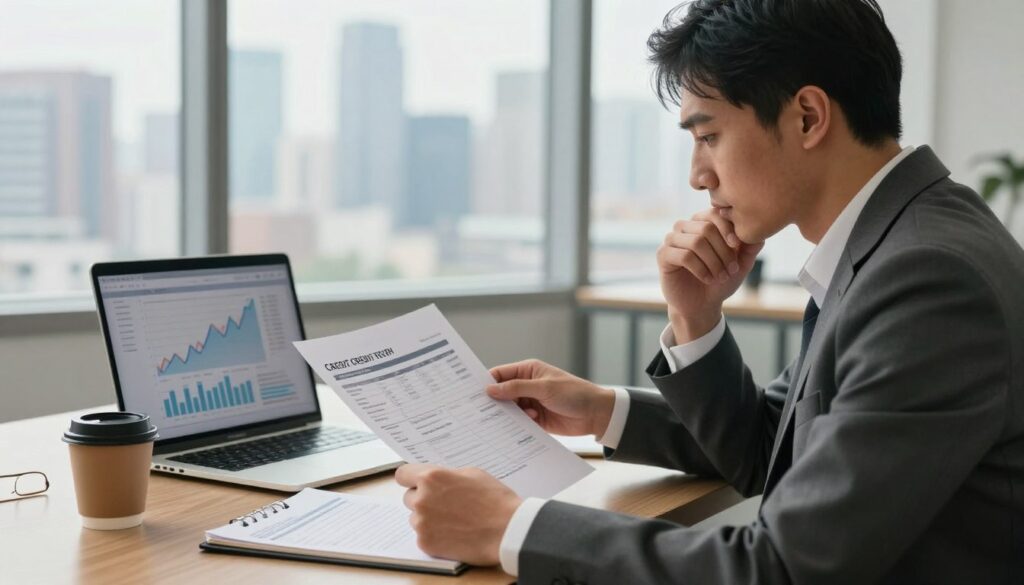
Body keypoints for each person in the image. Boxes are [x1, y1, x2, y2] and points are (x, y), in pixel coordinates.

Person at [395, 0, 1024, 582]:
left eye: (708, 136)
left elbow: (782, 569)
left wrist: (511, 527)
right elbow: (778, 442)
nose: (698, 176)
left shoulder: (927, 279)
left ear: (808, 117)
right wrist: (632, 380)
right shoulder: (899, 239)